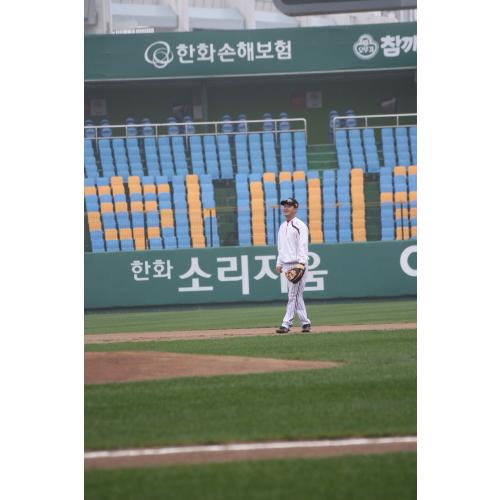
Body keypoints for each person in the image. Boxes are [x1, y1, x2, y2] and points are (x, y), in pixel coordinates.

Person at [275, 197, 311, 334]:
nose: (285, 208)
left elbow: (303, 245)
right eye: (284, 205)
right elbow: (281, 247)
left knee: (292, 295)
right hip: (286, 265)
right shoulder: (282, 226)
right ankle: (305, 322)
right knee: (297, 295)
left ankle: (286, 324)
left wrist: (301, 264)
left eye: (289, 205)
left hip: (297, 263)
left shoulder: (300, 225)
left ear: (295, 208)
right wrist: (279, 262)